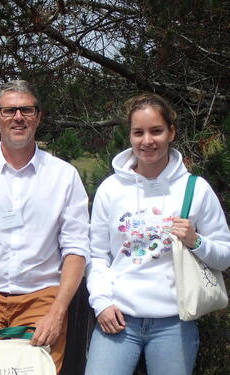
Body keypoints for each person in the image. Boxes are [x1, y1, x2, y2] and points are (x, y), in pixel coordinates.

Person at [0, 80, 90, 372]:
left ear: (38, 116)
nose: (18, 117)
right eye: (9, 110)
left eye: (26, 109)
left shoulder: (64, 176)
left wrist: (58, 311)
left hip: (42, 299)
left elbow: (76, 248)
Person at [84, 93, 230, 375]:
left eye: (156, 131)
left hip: (175, 323)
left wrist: (196, 241)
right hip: (118, 319)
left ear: (171, 132)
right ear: (129, 136)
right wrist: (101, 302)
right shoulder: (111, 189)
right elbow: (97, 255)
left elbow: (224, 256)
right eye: (138, 132)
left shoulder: (195, 189)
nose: (147, 141)